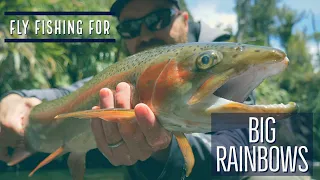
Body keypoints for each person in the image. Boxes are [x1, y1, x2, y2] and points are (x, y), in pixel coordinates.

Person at [0, 0, 256, 179]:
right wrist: (17, 99)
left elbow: (238, 152)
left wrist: (165, 149)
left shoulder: (222, 68)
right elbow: (72, 94)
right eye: (130, 28)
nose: (144, 34)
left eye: (158, 19)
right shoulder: (126, 73)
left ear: (184, 21)